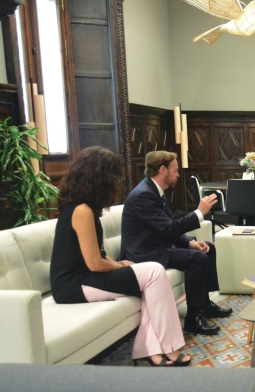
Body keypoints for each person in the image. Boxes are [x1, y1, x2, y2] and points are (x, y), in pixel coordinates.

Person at [50, 147, 191, 367]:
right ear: (100, 177)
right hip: (73, 284)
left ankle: (151, 350)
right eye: (114, 175)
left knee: (148, 282)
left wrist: (120, 264)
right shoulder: (82, 210)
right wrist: (118, 266)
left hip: (84, 278)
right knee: (154, 271)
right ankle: (169, 347)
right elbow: (95, 264)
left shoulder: (82, 206)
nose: (116, 181)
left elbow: (95, 258)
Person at [121, 151, 231, 336]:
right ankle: (193, 318)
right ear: (163, 170)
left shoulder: (155, 191)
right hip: (143, 254)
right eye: (176, 170)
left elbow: (166, 227)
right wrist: (198, 213)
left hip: (157, 247)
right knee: (197, 259)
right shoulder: (143, 195)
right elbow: (170, 229)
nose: (178, 175)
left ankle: (204, 304)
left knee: (207, 248)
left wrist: (189, 243)